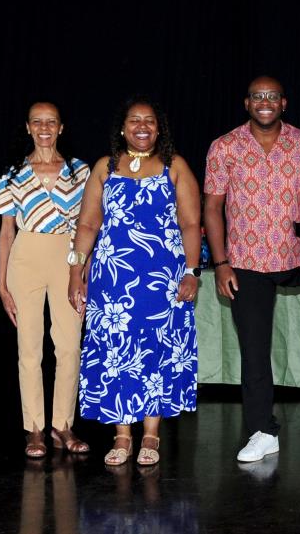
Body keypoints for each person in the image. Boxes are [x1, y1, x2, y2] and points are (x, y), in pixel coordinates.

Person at [203, 76, 300, 462]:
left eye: (272, 97)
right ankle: (263, 431)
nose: (265, 102)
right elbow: (212, 208)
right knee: (255, 352)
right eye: (258, 97)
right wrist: (221, 262)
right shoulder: (225, 146)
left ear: (283, 103)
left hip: (295, 256)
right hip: (245, 263)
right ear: (246, 103)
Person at [69, 97, 201, 466]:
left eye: (150, 121)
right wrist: (74, 270)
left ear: (159, 129)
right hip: (112, 280)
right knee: (116, 351)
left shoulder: (175, 166)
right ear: (122, 127)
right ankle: (122, 436)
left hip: (162, 279)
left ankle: (151, 435)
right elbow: (88, 224)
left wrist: (192, 271)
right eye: (134, 120)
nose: (142, 126)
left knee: (155, 349)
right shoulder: (104, 167)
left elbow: (191, 223)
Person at [0, 102, 91, 458]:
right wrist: (2, 285)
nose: (44, 127)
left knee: (68, 346)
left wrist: (82, 270)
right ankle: (34, 428)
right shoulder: (13, 174)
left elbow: (88, 227)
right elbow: (6, 232)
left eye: (51, 121)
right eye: (38, 122)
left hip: (67, 256)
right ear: (28, 127)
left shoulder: (80, 172)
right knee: (29, 348)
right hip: (27, 255)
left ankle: (62, 426)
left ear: (61, 127)